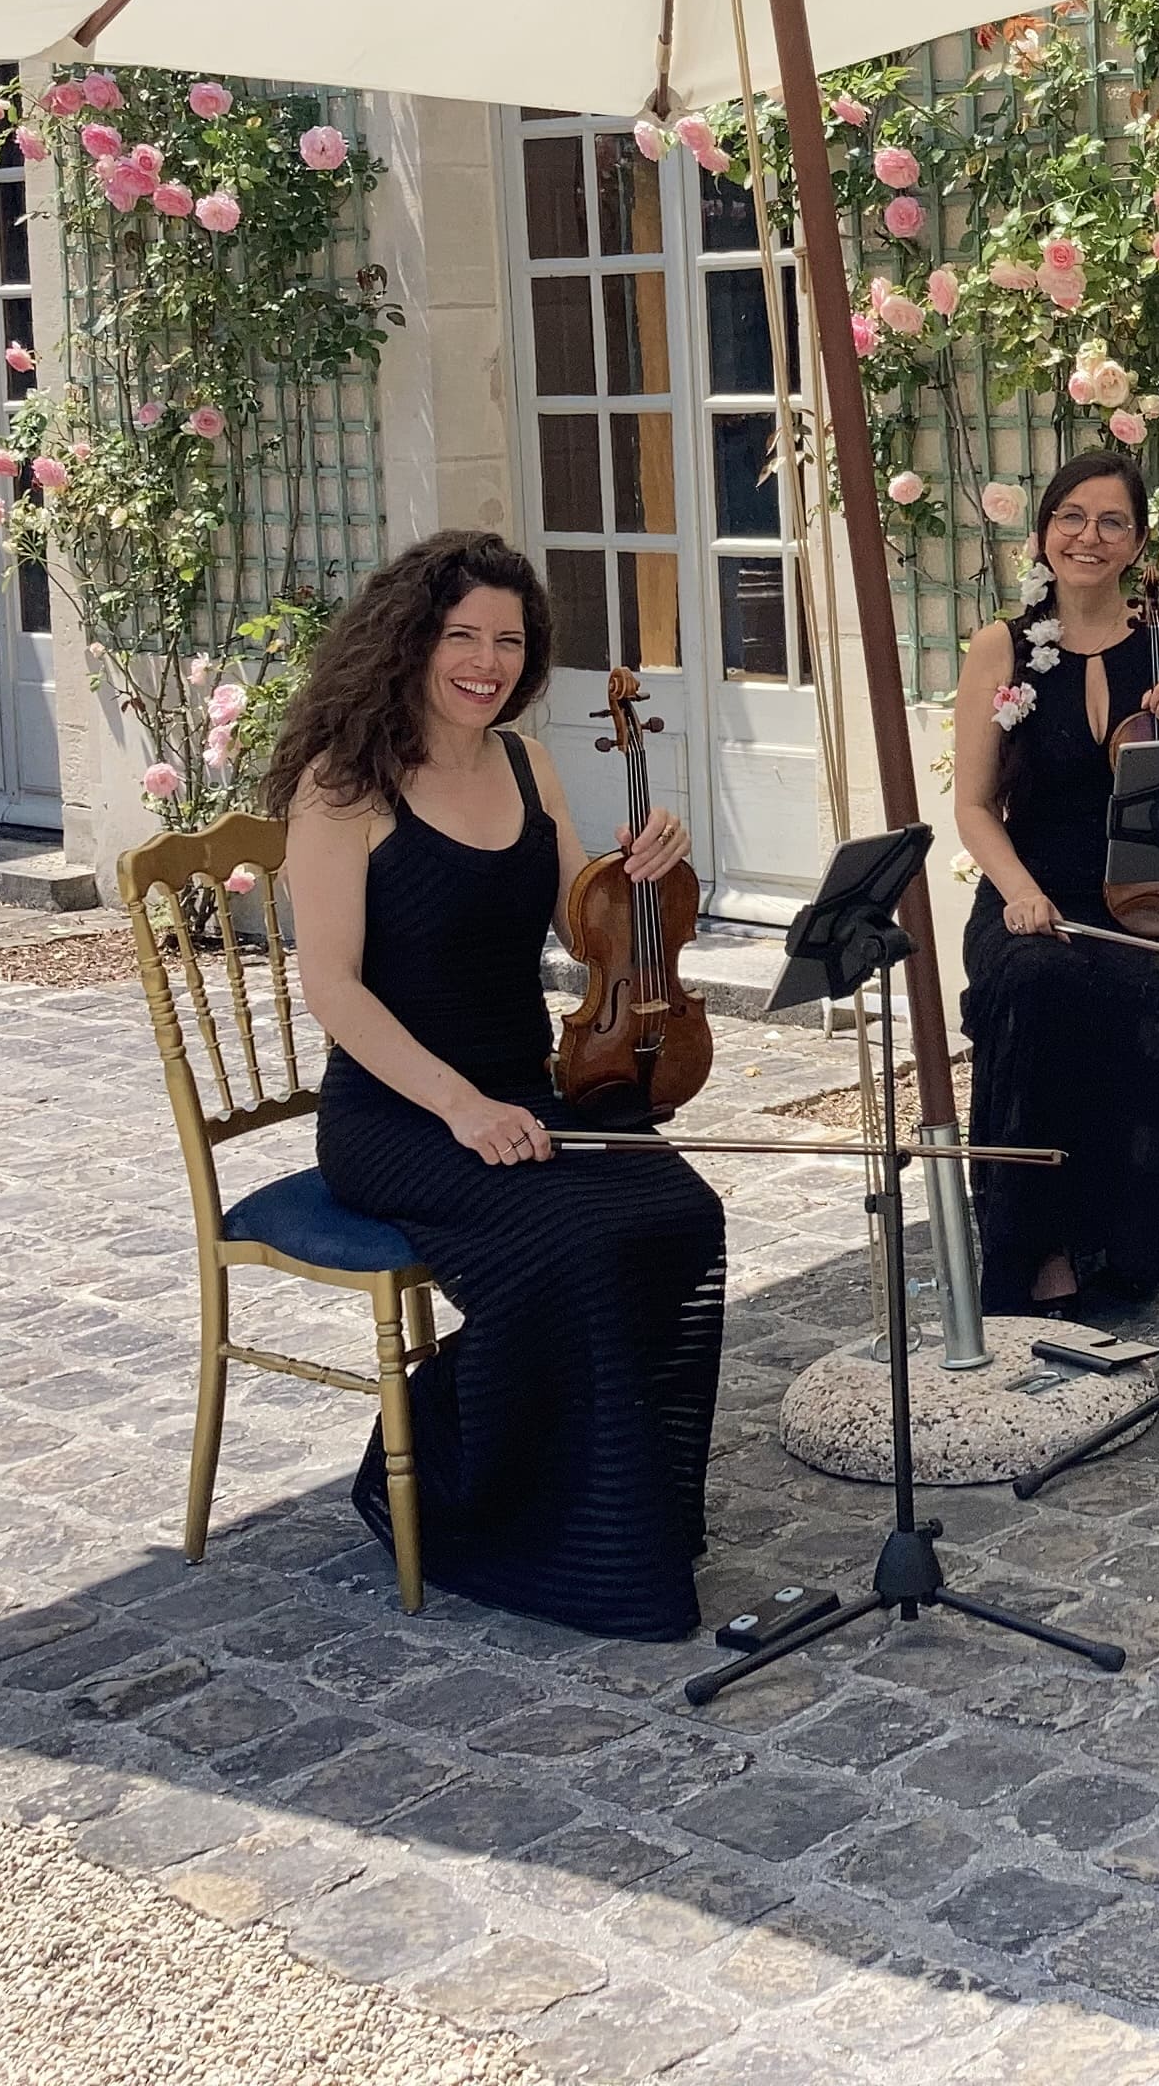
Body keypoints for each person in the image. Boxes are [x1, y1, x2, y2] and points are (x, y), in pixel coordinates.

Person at [275, 531, 729, 1639]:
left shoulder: (525, 763)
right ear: (413, 638)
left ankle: (600, 1489)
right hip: (399, 1110)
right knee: (569, 1247)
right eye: (462, 635)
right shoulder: (345, 786)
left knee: (678, 1215)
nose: (485, 661)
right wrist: (461, 1108)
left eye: (508, 642)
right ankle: (510, 1508)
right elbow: (331, 990)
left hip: (527, 1082)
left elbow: (582, 926)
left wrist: (641, 875)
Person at [951, 447, 1159, 1314]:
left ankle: (1115, 1244)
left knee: (1135, 994)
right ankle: (1035, 1248)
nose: (1089, 537)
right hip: (1030, 892)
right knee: (1036, 984)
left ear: (1139, 543)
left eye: (1113, 521)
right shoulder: (1002, 647)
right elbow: (972, 807)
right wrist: (1018, 892)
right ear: (1043, 532)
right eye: (1071, 517)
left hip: (1150, 900)